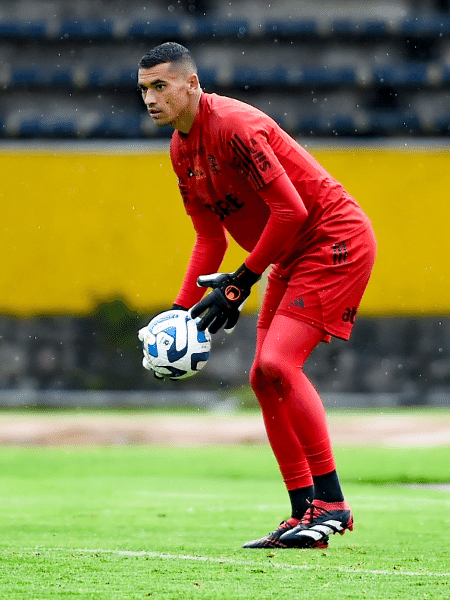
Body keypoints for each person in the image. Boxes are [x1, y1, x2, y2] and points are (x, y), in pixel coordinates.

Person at [137, 42, 376, 549]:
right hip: (289, 253)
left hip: (333, 239)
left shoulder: (233, 126)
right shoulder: (181, 149)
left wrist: (241, 281)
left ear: (192, 85)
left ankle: (332, 504)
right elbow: (210, 238)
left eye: (160, 86)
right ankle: (303, 512)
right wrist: (179, 314)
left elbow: (292, 212)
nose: (151, 99)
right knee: (262, 377)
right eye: (143, 90)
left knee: (279, 364)